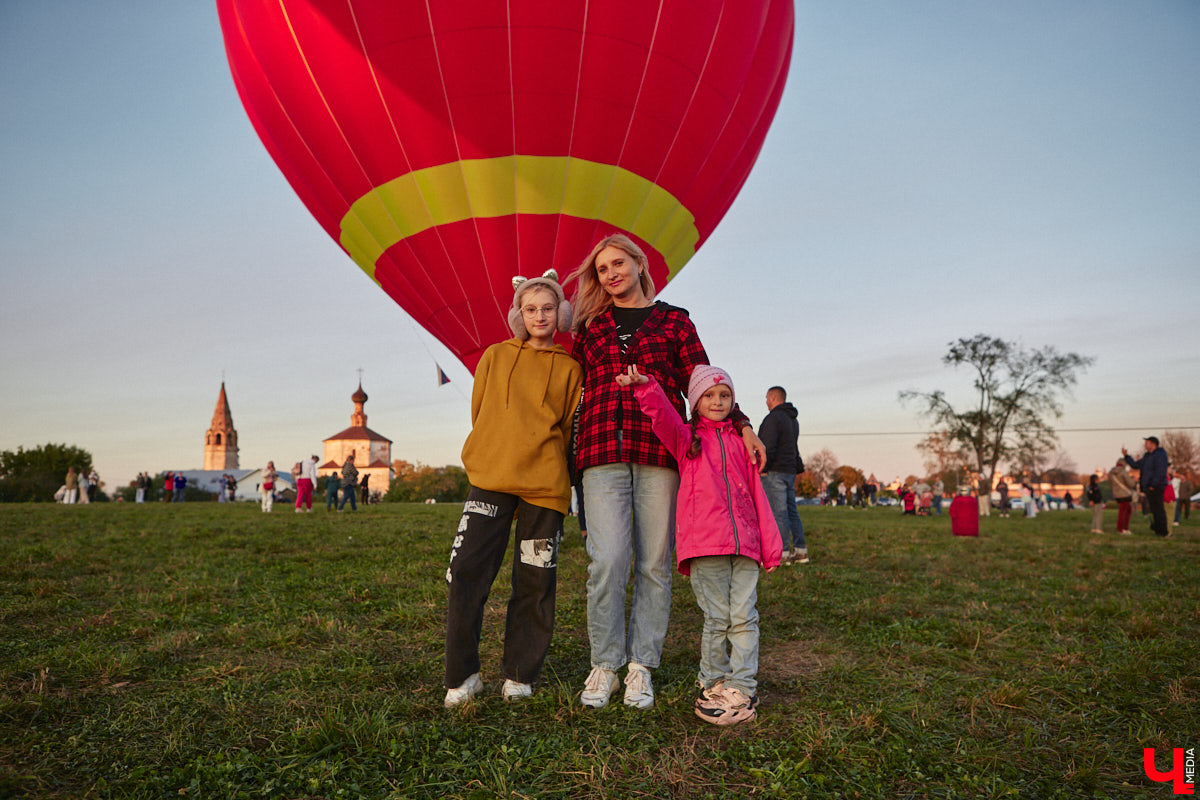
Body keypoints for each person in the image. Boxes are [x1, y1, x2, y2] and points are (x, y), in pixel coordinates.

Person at [566, 233, 764, 710]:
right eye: (602, 269)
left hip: (661, 453)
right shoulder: (591, 326)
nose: (611, 274)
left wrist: (744, 424)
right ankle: (604, 664)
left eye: (618, 263)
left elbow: (705, 385)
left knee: (654, 563)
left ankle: (641, 667)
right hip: (600, 449)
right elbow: (570, 389)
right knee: (608, 560)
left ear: (639, 263)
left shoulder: (675, 321)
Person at [443, 271, 583, 707]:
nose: (539, 316)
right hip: (491, 479)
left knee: (535, 579)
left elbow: (565, 429)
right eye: (530, 309)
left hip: (544, 486)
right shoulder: (495, 356)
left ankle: (520, 674)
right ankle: (463, 675)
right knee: (466, 572)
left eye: (547, 308)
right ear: (518, 315)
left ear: (560, 314)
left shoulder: (570, 368)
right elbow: (480, 410)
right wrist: (495, 452)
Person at [619, 363, 780, 725]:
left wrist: (767, 545)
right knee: (717, 617)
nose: (718, 401)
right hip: (705, 546)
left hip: (745, 545)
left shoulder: (742, 442)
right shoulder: (687, 439)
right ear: (695, 401)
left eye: (725, 396)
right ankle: (712, 681)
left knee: (744, 616)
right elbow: (661, 416)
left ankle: (742, 685)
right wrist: (646, 387)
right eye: (709, 395)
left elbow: (757, 495)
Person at [758, 386, 808, 565]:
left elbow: (768, 446)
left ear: (772, 397)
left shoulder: (773, 418)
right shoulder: (792, 420)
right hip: (789, 470)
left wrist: (763, 466)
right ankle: (801, 551)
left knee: (779, 513)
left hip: (774, 471)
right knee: (791, 511)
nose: (766, 402)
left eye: (766, 398)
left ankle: (782, 553)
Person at [1123, 437, 1170, 537]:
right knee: (1154, 509)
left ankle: (1163, 531)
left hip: (1157, 486)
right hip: (1149, 487)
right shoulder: (1147, 456)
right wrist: (1126, 456)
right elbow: (1136, 465)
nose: (1145, 445)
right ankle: (1158, 530)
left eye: (1146, 443)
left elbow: (1160, 471)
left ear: (1153, 444)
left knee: (1159, 509)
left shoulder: (1160, 454)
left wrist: (1153, 484)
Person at [1108, 459, 1136, 534]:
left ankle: (1124, 529)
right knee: (1124, 512)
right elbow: (1130, 483)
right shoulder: (1123, 471)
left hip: (1117, 494)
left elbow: (1111, 483)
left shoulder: (1111, 473)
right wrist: (1134, 481)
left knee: (1126, 510)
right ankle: (1122, 529)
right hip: (1125, 493)